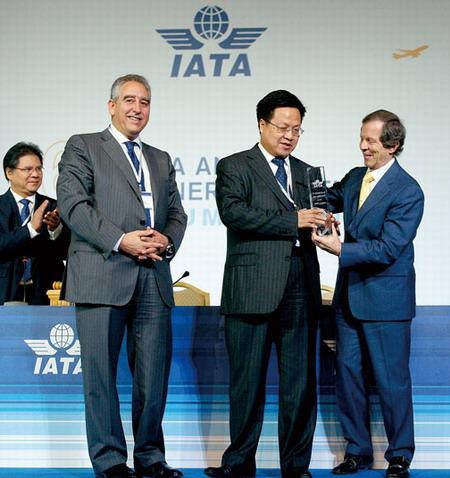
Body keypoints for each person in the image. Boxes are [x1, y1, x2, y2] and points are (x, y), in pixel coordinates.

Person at [57, 74, 187, 478]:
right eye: (129, 100)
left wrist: (166, 240)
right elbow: (73, 206)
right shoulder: (83, 146)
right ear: (111, 106)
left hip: (153, 276)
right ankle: (110, 460)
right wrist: (121, 240)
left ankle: (150, 457)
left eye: (145, 102)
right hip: (102, 272)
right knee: (100, 375)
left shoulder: (160, 158)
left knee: (153, 377)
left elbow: (177, 213)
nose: (137, 108)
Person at [205, 90, 326, 478]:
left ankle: (296, 466)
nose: (290, 136)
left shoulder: (308, 173)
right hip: (251, 287)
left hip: (300, 283)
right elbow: (234, 213)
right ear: (262, 124)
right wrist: (294, 220)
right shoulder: (235, 166)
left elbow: (319, 213)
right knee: (247, 383)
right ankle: (239, 464)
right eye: (282, 127)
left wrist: (324, 223)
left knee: (299, 384)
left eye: (297, 129)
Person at [312, 110, 424, 478]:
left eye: (370, 140)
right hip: (349, 299)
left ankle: (400, 455)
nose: (362, 146)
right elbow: (326, 199)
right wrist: (317, 204)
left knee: (392, 382)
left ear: (392, 145)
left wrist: (339, 248)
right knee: (348, 378)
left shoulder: (408, 191)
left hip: (387, 302)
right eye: (361, 138)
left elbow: (388, 248)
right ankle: (356, 451)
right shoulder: (355, 177)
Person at [0, 142, 68, 305]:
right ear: (9, 173)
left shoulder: (55, 207)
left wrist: (56, 229)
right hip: (4, 290)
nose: (35, 174)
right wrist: (30, 229)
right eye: (28, 169)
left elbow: (69, 251)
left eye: (38, 169)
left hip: (46, 293)